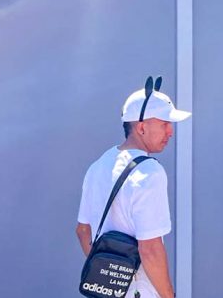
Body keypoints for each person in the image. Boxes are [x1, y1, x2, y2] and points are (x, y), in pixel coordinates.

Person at [76, 77, 191, 298]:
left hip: (107, 293)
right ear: (141, 127)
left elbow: (82, 231)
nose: (170, 132)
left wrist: (108, 274)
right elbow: (150, 249)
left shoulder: (98, 166)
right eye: (164, 123)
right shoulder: (149, 172)